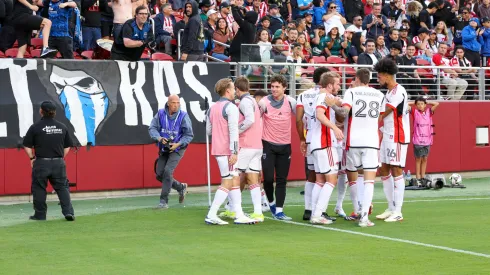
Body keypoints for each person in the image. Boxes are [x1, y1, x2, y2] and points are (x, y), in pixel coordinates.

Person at [325, 68, 384, 227]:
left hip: (353, 141)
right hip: (371, 140)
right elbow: (380, 116)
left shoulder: (351, 92)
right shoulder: (379, 95)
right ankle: (364, 216)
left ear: (357, 78)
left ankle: (358, 209)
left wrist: (332, 105)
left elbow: (344, 113)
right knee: (369, 179)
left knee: (354, 175)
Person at [205, 78, 256, 225]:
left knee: (233, 181)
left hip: (218, 149)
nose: (235, 91)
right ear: (227, 90)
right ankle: (212, 213)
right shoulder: (231, 107)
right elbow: (234, 131)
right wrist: (234, 152)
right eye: (233, 88)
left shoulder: (212, 108)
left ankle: (239, 214)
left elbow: (209, 130)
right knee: (227, 181)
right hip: (228, 151)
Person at [22, 101, 75, 221]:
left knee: (39, 188)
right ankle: (68, 212)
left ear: (41, 111)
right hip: (58, 162)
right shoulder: (62, 126)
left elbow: (26, 145)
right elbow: (67, 146)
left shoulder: (35, 127)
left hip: (41, 162)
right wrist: (61, 157)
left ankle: (40, 215)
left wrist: (31, 158)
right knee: (62, 188)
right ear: (54, 112)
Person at [374, 58, 410, 223]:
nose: (378, 79)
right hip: (387, 135)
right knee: (384, 169)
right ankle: (390, 207)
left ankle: (398, 211)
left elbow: (384, 114)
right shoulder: (388, 92)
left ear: (387, 75)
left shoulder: (398, 91)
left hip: (397, 136)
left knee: (396, 170)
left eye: (379, 76)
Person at [258, 74, 297, 220]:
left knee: (282, 179)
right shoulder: (264, 102)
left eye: (277, 87)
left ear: (284, 88)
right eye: (272, 86)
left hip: (285, 145)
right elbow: (256, 120)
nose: (273, 89)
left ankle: (279, 211)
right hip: (267, 144)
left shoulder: (291, 102)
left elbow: (301, 118)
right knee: (268, 179)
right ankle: (272, 203)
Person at [308, 71, 344, 225]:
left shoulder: (319, 96)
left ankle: (314, 213)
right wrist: (335, 129)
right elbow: (320, 114)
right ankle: (317, 214)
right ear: (329, 85)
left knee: (320, 180)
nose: (338, 86)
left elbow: (338, 104)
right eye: (336, 84)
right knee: (331, 179)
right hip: (325, 142)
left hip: (316, 143)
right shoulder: (323, 97)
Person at [295, 67, 330, 221]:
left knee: (311, 175)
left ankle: (308, 209)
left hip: (309, 137)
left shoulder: (303, 95)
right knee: (324, 177)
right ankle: (319, 211)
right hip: (323, 138)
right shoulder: (326, 95)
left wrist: (302, 139)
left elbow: (298, 119)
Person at [148, 94, 194, 209]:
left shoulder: (183, 116)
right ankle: (180, 187)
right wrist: (159, 138)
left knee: (168, 171)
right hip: (164, 147)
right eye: (173, 103)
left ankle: (163, 201)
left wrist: (178, 144)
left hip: (178, 148)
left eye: (178, 103)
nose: (176, 105)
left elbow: (189, 135)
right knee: (159, 175)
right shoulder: (160, 114)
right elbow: (152, 128)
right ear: (168, 103)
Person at [234, 77, 265, 222]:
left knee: (234, 175)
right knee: (252, 177)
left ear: (237, 89)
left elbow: (249, 120)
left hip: (246, 144)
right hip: (256, 144)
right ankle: (258, 212)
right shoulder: (253, 100)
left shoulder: (245, 102)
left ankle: (233, 209)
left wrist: (236, 131)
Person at [409, 97, 439, 187]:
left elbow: (437, 104)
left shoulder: (429, 112)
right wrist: (414, 103)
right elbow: (406, 105)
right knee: (418, 159)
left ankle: (423, 176)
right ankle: (418, 177)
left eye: (422, 104)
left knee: (425, 158)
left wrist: (427, 101)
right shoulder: (415, 112)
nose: (420, 105)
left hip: (427, 140)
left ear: (425, 105)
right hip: (418, 140)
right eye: (418, 104)